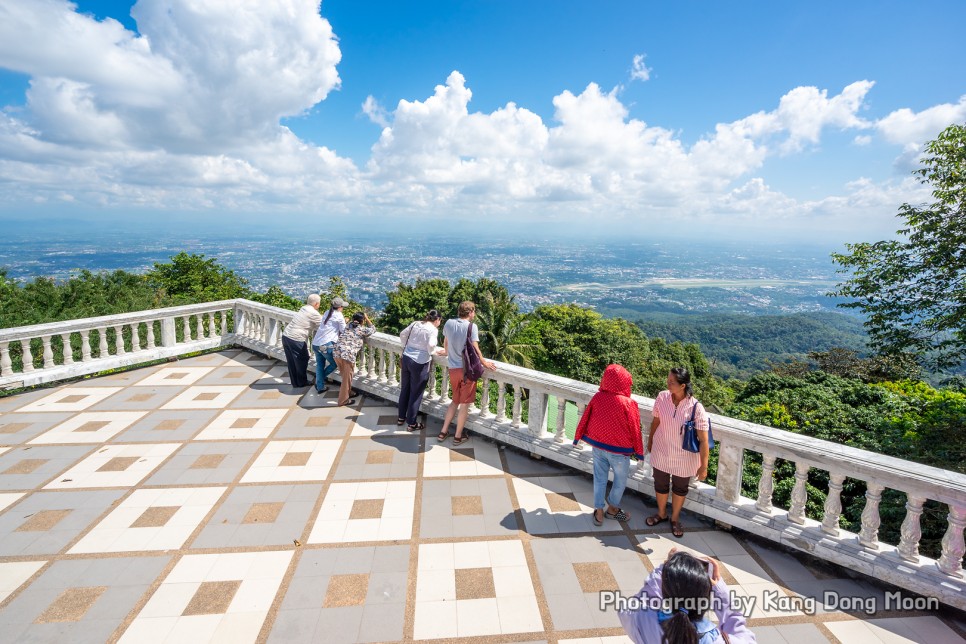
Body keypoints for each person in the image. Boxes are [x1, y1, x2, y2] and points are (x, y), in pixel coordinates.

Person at [619, 549, 756, 644]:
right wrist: (720, 592)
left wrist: (665, 570)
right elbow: (743, 635)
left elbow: (632, 606)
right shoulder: (715, 640)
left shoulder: (643, 619)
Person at [572, 364, 644, 525]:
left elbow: (585, 418)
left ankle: (598, 511)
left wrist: (577, 438)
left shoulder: (598, 397)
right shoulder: (628, 403)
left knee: (599, 479)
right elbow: (635, 429)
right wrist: (639, 452)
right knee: (620, 481)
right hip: (620, 452)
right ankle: (612, 510)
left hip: (598, 446)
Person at [645, 367, 710, 538]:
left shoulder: (696, 408)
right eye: (668, 380)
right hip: (661, 450)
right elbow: (656, 421)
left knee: (680, 488)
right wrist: (650, 441)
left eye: (672, 382)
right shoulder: (662, 397)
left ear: (683, 386)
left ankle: (674, 518)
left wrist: (704, 466)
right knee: (660, 483)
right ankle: (661, 513)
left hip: (684, 457)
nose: (668, 384)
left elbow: (703, 440)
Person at [439, 301, 496, 445]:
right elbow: (475, 348)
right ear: (470, 312)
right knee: (464, 405)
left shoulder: (449, 323)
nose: (474, 314)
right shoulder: (472, 326)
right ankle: (458, 436)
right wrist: (484, 362)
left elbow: (446, 341)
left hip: (453, 369)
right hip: (466, 371)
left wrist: (446, 352)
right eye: (474, 311)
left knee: (454, 401)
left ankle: (443, 432)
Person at [397, 309, 444, 431]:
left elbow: (402, 334)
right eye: (440, 320)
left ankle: (401, 417)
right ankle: (411, 423)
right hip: (420, 362)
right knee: (416, 393)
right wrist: (432, 352)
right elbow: (432, 345)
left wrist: (406, 347)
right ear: (437, 319)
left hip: (407, 357)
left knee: (405, 389)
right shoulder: (433, 329)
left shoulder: (415, 323)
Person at [334, 311, 375, 406]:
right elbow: (373, 329)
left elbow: (347, 322)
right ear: (362, 321)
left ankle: (348, 392)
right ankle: (343, 401)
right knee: (346, 379)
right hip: (348, 355)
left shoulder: (348, 326)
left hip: (337, 352)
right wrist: (367, 318)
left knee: (344, 376)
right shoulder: (361, 329)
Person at [281, 294, 323, 388]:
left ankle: (295, 382)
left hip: (286, 336)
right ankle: (301, 382)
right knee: (303, 359)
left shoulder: (304, 308)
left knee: (291, 361)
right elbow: (324, 324)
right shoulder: (314, 313)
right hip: (296, 338)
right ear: (316, 304)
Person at [311, 296, 347, 393]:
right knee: (335, 363)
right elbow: (344, 331)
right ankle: (319, 382)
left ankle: (320, 386)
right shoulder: (339, 315)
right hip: (326, 345)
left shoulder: (327, 312)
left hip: (315, 343)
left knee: (320, 365)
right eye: (342, 307)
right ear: (339, 307)